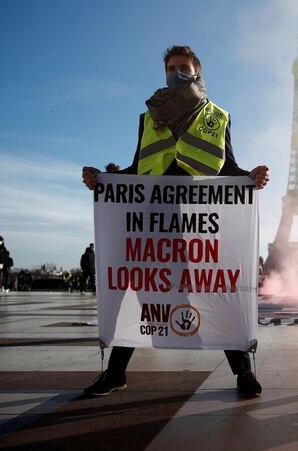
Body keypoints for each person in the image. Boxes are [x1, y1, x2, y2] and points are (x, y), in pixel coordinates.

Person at [81, 45, 269, 398]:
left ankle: (243, 372)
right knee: (144, 292)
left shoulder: (217, 116)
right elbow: (139, 167)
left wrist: (249, 177)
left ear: (197, 71)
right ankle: (116, 373)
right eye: (171, 67)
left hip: (199, 221)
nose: (176, 72)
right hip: (155, 220)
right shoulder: (147, 118)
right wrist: (104, 180)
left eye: (183, 66)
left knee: (216, 289)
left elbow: (226, 166)